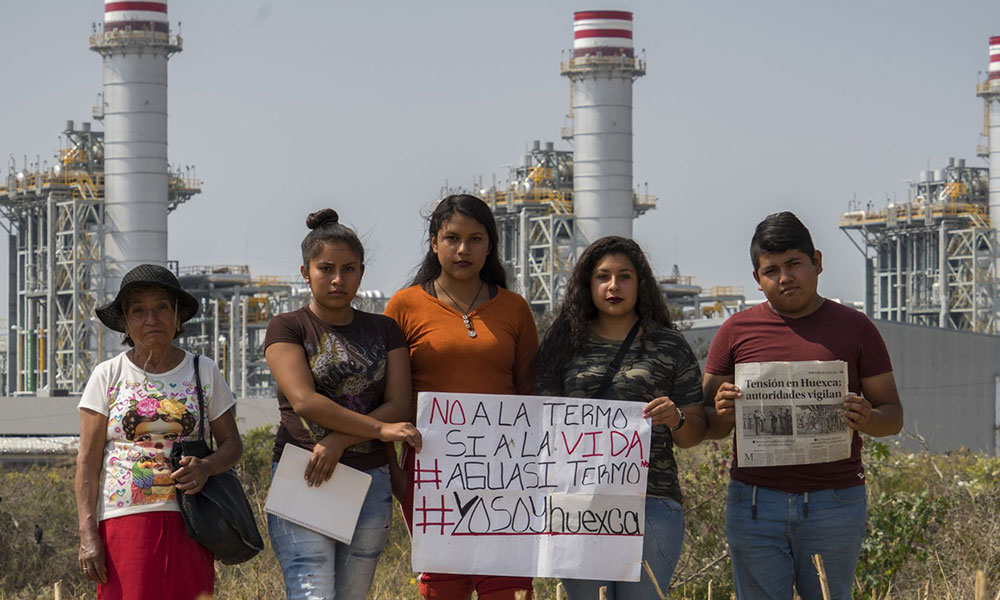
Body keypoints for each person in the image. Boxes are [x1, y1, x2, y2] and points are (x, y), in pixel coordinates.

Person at [703, 211, 903, 600]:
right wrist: (722, 411)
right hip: (755, 503)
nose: (784, 278)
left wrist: (867, 418)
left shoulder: (856, 327)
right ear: (757, 280)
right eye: (771, 270)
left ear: (818, 262)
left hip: (835, 501)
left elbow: (892, 416)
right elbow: (707, 424)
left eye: (794, 263)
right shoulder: (734, 331)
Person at [384, 194, 538, 600]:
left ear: (490, 245)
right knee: (444, 586)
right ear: (434, 242)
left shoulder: (515, 308)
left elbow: (531, 393)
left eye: (475, 239)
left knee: (507, 586)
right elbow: (384, 397)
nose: (463, 249)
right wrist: (398, 474)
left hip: (506, 472)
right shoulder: (404, 306)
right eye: (452, 238)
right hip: (430, 472)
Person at [536, 236, 706, 600]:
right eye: (603, 276)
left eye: (624, 276)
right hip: (576, 506)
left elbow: (693, 434)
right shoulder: (562, 342)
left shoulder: (670, 345)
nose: (614, 286)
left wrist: (675, 418)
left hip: (653, 504)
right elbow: (539, 419)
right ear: (588, 283)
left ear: (640, 283)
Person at [264, 209, 421, 600]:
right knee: (312, 589)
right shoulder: (288, 327)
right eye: (326, 268)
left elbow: (400, 402)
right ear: (305, 272)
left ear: (362, 272)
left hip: (370, 477)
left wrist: (340, 440)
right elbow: (304, 400)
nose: (338, 279)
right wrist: (379, 430)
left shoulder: (385, 329)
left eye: (349, 269)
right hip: (305, 473)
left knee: (353, 593)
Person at [75, 264, 243, 599]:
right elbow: (88, 463)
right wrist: (87, 533)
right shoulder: (107, 375)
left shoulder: (203, 370)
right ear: (125, 322)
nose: (151, 318)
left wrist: (207, 467)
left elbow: (232, 444)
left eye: (162, 307)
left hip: (191, 522)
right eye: (139, 311)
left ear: (178, 317)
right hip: (123, 523)